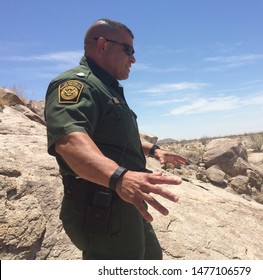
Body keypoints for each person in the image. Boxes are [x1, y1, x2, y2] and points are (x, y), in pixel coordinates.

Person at [44, 18, 187, 260]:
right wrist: (120, 177)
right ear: (102, 44)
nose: (133, 59)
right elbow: (70, 141)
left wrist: (153, 150)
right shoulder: (76, 84)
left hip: (126, 198)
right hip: (101, 206)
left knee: (152, 258)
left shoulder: (105, 88)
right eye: (128, 50)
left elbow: (115, 136)